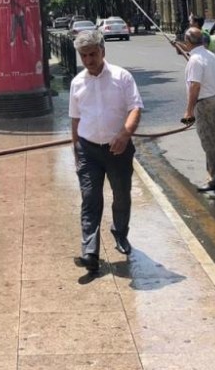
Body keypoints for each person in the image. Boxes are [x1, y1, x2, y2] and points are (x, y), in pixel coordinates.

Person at [69, 29, 143, 272]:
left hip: (118, 150)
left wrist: (124, 134)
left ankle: (120, 233)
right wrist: (76, 150)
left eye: (92, 54)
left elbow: (135, 109)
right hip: (89, 150)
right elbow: (75, 120)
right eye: (84, 56)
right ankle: (90, 251)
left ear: (103, 51)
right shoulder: (77, 83)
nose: (89, 60)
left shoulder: (122, 77)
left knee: (121, 195)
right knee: (90, 199)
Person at [181, 27, 215, 192]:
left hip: (204, 103)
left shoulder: (195, 60)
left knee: (209, 142)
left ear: (189, 42)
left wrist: (189, 110)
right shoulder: (209, 56)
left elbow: (195, 86)